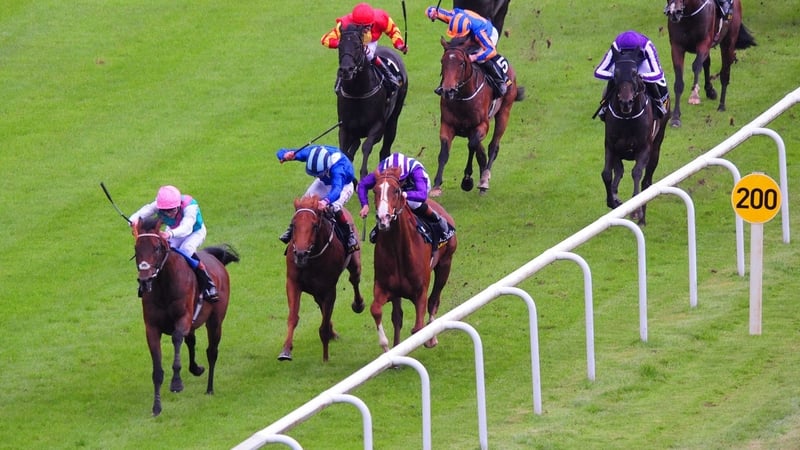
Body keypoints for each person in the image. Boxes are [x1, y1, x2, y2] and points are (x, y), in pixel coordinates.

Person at [129, 185, 218, 301]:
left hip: (194, 232)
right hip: (173, 232)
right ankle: (149, 280)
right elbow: (144, 212)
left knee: (186, 249)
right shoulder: (159, 205)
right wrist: (132, 221)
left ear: (178, 205)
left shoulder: (190, 206)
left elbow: (187, 227)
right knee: (163, 251)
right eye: (165, 211)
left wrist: (170, 234)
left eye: (172, 210)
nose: (168, 214)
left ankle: (208, 283)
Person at [276, 145, 360, 254]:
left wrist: (326, 201)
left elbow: (337, 189)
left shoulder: (338, 168)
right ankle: (292, 229)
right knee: (303, 203)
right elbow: (282, 151)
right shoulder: (312, 153)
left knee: (333, 207)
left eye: (318, 174)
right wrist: (284, 155)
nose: (316, 177)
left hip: (343, 185)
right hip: (325, 181)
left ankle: (349, 236)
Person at [357, 152, 451, 241]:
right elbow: (362, 185)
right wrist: (365, 204)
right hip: (394, 189)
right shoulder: (382, 171)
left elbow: (422, 195)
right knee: (386, 202)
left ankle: (438, 220)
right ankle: (382, 223)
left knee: (413, 203)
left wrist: (405, 194)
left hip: (416, 188)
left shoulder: (416, 170)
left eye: (400, 180)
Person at [321, 2, 408, 93]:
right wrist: (344, 44)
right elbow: (326, 39)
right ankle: (340, 80)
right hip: (352, 42)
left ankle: (389, 77)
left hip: (370, 42)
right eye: (359, 27)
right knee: (348, 57)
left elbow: (393, 31)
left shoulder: (381, 18)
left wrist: (399, 44)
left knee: (369, 55)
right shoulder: (345, 24)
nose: (365, 30)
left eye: (367, 26)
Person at [425, 6, 509, 97]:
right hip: (472, 28)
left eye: (459, 35)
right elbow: (431, 9)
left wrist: (474, 57)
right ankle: (444, 84)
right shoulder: (452, 16)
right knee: (452, 56)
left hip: (489, 33)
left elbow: (492, 51)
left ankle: (499, 80)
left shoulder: (479, 33)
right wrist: (432, 13)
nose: (457, 37)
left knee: (481, 59)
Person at [593, 30, 669, 120]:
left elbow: (658, 73)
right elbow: (598, 71)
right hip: (623, 65)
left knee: (659, 82)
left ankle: (659, 103)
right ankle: (604, 106)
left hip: (642, 64)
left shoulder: (647, 45)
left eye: (631, 51)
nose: (628, 54)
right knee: (614, 78)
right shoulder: (616, 45)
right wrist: (616, 76)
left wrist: (642, 76)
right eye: (625, 52)